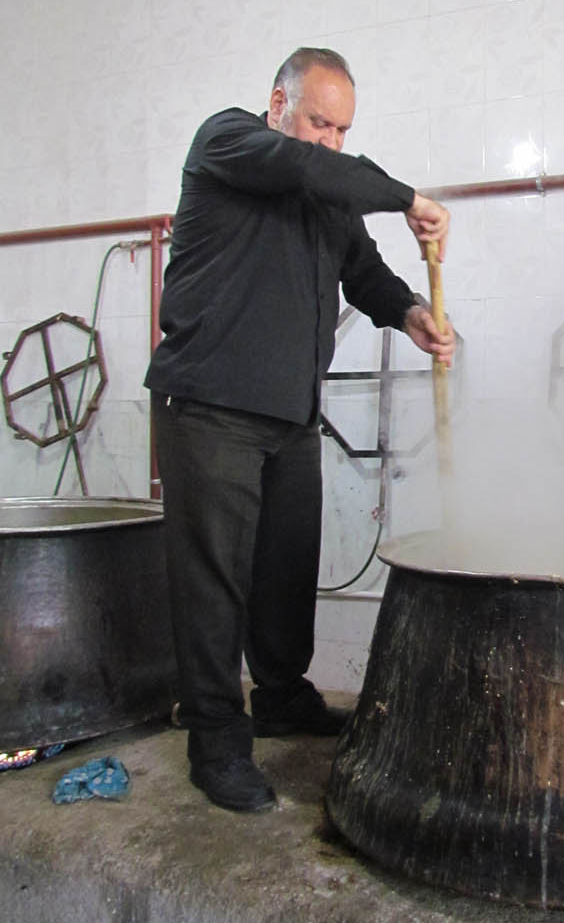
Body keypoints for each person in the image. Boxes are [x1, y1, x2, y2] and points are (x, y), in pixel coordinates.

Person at [144, 47, 455, 813]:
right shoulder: (228, 142)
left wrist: (411, 313)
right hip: (210, 406)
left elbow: (364, 271)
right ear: (278, 103)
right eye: (320, 122)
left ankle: (281, 697)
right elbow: (310, 168)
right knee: (215, 580)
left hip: (288, 413)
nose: (331, 141)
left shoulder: (326, 193)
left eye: (343, 129)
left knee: (285, 568)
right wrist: (408, 197)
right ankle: (216, 743)